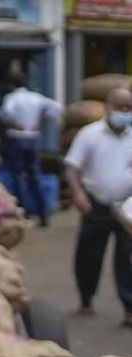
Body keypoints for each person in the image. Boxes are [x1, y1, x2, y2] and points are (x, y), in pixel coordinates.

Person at [64, 87, 132, 326]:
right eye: (120, 107)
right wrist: (78, 193)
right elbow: (72, 168)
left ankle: (129, 307)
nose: (125, 112)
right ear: (107, 108)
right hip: (96, 205)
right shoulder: (89, 134)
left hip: (128, 206)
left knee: (128, 257)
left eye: (129, 108)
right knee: (88, 254)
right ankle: (86, 296)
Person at [1, 71, 64, 226]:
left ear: (10, 85)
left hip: (16, 138)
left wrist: (15, 123)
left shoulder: (11, 98)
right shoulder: (36, 98)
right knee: (34, 175)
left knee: (18, 176)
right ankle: (43, 215)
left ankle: (24, 214)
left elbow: (7, 114)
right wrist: (40, 119)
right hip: (33, 139)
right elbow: (58, 108)